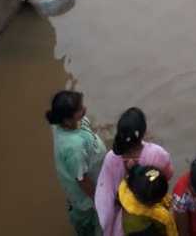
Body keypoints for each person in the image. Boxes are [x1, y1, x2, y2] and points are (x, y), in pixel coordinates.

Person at [95, 107, 174, 236]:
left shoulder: (111, 158)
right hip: (153, 212)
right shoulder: (157, 154)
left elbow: (105, 199)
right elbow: (168, 175)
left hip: (123, 220)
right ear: (143, 132)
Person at [46, 90, 107, 236]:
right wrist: (98, 200)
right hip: (85, 198)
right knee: (86, 225)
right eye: (80, 109)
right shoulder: (74, 148)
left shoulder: (63, 124)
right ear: (67, 120)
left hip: (87, 173)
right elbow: (82, 180)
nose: (84, 109)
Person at [118, 164, 177, 235]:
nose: (162, 199)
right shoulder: (139, 226)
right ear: (149, 202)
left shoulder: (128, 187)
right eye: (159, 199)